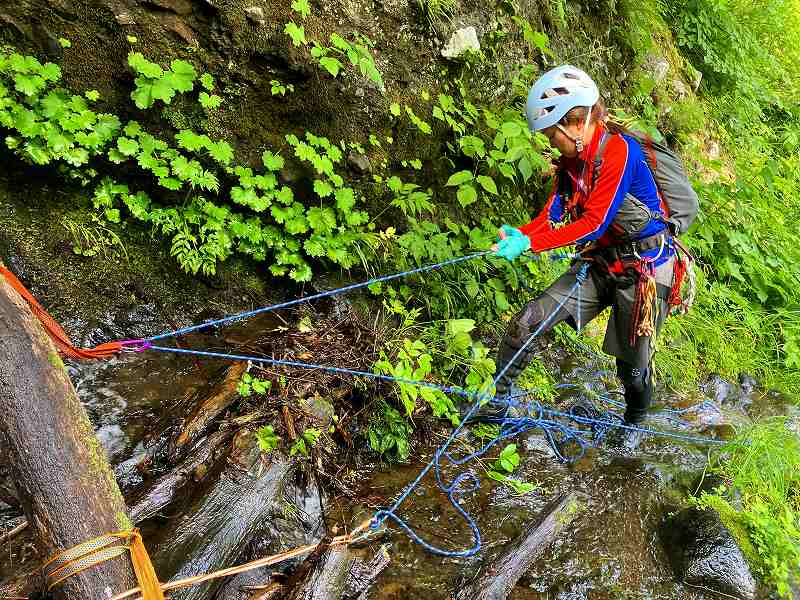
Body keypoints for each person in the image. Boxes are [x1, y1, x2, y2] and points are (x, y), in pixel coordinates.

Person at [492, 65, 678, 447]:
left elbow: (593, 223)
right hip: (601, 263)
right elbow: (553, 214)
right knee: (528, 321)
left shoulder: (619, 153)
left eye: (552, 134)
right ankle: (496, 406)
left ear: (577, 124)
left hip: (645, 268)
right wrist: (524, 234)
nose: (550, 142)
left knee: (631, 370)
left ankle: (634, 424)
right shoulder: (572, 164)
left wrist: (531, 245)